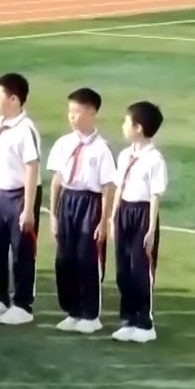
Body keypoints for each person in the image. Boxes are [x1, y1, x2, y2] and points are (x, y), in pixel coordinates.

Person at [49, 88, 116, 335]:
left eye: (77, 112)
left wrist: (104, 220)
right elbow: (57, 180)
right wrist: (53, 214)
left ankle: (90, 314)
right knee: (65, 259)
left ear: (92, 113)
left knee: (87, 259)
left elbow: (108, 186)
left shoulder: (102, 149)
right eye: (70, 111)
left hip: (90, 203)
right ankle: (73, 310)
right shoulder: (64, 143)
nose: (72, 116)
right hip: (68, 200)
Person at [0, 72, 42, 325]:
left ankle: (23, 304)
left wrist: (28, 208)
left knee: (22, 251)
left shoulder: (25, 130)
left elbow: (31, 167)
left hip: (19, 196)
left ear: (14, 99)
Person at [109, 101, 167, 344]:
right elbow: (119, 187)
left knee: (141, 270)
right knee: (123, 269)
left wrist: (151, 229)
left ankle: (145, 323)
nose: (123, 126)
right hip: (124, 211)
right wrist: (113, 217)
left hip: (142, 213)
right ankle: (129, 319)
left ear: (139, 128)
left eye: (127, 122)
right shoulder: (125, 155)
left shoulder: (155, 160)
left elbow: (154, 195)